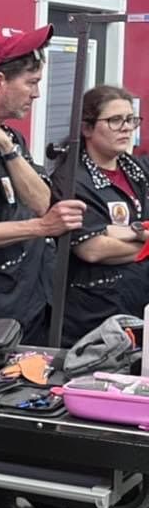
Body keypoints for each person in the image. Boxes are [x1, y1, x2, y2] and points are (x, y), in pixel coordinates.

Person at [0, 25, 85, 342]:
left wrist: (6, 145)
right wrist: (39, 228)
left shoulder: (9, 138)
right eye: (31, 83)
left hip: (30, 302)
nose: (37, 94)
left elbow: (43, 204)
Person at [61, 84, 149, 344]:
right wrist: (144, 239)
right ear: (87, 128)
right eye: (114, 120)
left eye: (131, 119)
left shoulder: (136, 171)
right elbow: (92, 248)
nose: (126, 127)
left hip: (138, 304)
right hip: (95, 314)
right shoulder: (71, 179)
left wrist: (119, 232)